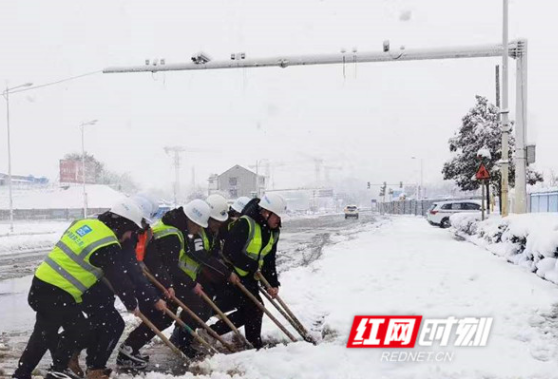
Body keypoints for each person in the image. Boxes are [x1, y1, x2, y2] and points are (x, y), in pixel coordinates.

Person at [12, 199, 146, 379]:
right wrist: (131, 303)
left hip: (42, 284)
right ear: (122, 225)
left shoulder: (86, 224)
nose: (130, 236)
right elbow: (118, 278)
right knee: (76, 331)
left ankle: (24, 373)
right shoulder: (108, 243)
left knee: (48, 333)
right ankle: (57, 369)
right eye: (131, 231)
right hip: (57, 292)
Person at [117, 199, 211, 366]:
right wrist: (168, 287)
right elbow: (166, 265)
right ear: (190, 219)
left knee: (165, 315)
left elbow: (157, 261)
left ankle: (131, 349)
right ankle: (128, 349)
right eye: (197, 225)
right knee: (160, 315)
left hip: (158, 279)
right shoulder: (171, 233)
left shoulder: (173, 228)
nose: (198, 230)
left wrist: (168, 284)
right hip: (148, 280)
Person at [209, 193, 286, 349]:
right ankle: (252, 343)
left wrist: (272, 283)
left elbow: (269, 259)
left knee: (253, 309)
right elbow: (230, 252)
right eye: (276, 216)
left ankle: (213, 332)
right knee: (254, 307)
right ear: (266, 212)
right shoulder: (246, 223)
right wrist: (252, 266)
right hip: (232, 275)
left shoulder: (273, 231)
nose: (279, 220)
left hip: (250, 277)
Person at [169, 195, 235, 353]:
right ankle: (181, 340)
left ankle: (182, 337)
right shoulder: (197, 232)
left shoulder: (211, 233)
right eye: (215, 221)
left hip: (193, 277)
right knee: (196, 309)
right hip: (182, 276)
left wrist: (227, 268)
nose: (218, 224)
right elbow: (203, 257)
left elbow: (214, 254)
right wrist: (226, 274)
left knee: (200, 311)